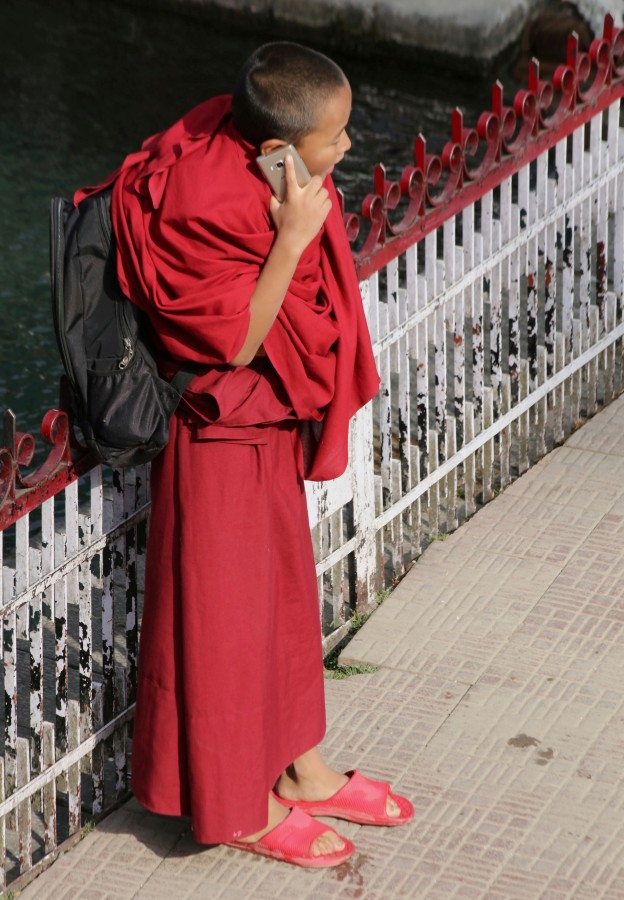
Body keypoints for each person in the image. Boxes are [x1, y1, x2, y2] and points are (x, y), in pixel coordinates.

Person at [76, 41, 413, 868]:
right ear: (274, 149)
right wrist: (295, 239)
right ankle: (237, 807)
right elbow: (234, 341)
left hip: (262, 423)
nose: (346, 149)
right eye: (334, 138)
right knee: (224, 625)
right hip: (216, 432)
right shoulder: (204, 203)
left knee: (284, 601)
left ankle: (301, 769)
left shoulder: (249, 150)